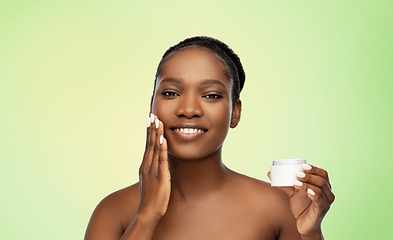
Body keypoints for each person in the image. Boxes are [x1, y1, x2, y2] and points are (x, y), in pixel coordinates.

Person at [84, 36, 335, 240]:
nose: (189, 109)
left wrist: (310, 234)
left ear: (235, 113)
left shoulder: (278, 208)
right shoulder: (113, 212)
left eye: (211, 95)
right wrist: (147, 214)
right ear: (152, 106)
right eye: (171, 93)